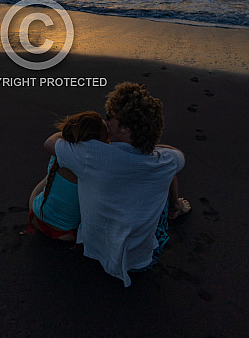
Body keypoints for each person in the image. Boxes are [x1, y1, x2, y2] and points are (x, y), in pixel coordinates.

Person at [44, 82, 190, 286]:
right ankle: (175, 207)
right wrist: (149, 147)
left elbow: (50, 142)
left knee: (61, 159)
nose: (106, 120)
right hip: (143, 261)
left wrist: (84, 137)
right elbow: (178, 155)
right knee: (167, 174)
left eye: (109, 117)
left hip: (94, 249)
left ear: (124, 127)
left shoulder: (91, 154)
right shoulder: (166, 160)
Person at [27, 111, 109, 242]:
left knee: (47, 181)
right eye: (106, 138)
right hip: (65, 233)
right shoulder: (92, 168)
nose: (109, 142)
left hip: (36, 218)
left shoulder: (60, 152)